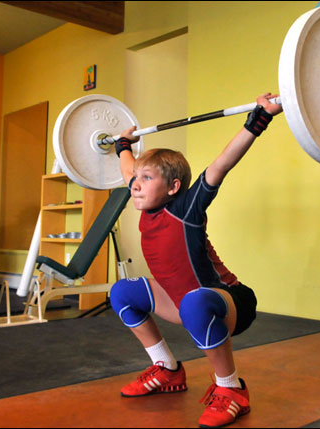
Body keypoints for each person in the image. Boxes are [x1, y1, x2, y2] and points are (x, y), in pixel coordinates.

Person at [109, 93, 283, 427]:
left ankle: (231, 389)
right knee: (122, 293)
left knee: (195, 302)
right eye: (136, 180)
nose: (135, 185)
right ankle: (167, 370)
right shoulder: (146, 201)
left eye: (147, 179)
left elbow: (222, 164)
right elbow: (128, 169)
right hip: (181, 302)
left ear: (174, 187)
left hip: (229, 301)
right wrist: (123, 144)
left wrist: (261, 117)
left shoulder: (187, 207)